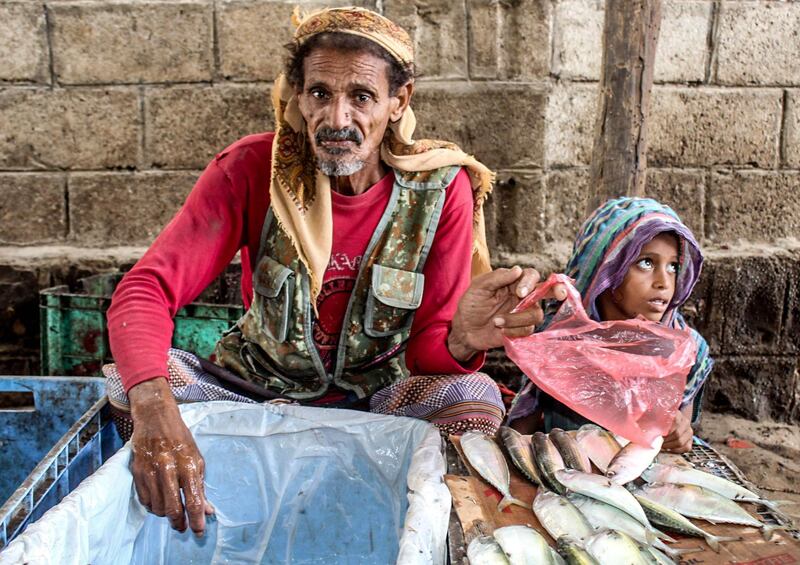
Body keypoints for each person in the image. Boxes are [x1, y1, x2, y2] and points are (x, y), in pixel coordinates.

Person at [103, 7, 565, 537]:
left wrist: (462, 339)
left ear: (399, 102)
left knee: (473, 399)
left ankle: (403, 533)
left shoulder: (440, 191)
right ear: (298, 95)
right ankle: (197, 522)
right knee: (130, 385)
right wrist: (155, 407)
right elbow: (146, 288)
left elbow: (426, 354)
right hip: (257, 392)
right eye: (321, 93)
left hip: (379, 402)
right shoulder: (255, 170)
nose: (338, 119)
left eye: (362, 97)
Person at [507, 197, 713, 453]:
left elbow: (678, 436)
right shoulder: (559, 340)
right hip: (570, 468)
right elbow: (520, 435)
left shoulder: (685, 351)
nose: (664, 282)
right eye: (646, 263)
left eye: (673, 266)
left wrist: (681, 435)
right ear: (607, 270)